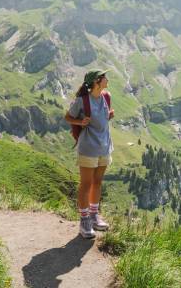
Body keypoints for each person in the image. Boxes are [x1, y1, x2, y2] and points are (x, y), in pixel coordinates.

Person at [65, 69, 115, 239]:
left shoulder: (106, 97)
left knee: (98, 182)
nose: (107, 79)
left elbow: (102, 119)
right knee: (86, 184)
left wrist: (109, 116)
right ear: (96, 81)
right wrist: (80, 121)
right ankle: (84, 220)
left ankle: (94, 215)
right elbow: (67, 117)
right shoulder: (82, 101)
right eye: (104, 77)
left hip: (104, 147)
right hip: (88, 147)